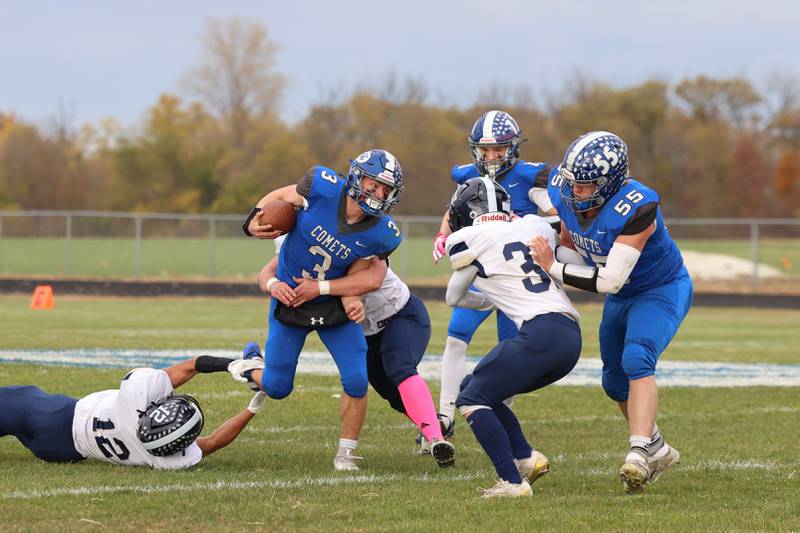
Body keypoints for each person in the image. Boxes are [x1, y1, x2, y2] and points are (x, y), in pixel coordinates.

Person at [528, 131, 692, 494]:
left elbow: (610, 280)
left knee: (637, 358)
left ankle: (638, 453)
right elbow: (567, 234)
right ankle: (658, 448)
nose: (575, 192)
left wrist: (551, 266)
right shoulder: (565, 189)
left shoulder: (637, 207)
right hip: (620, 295)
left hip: (658, 289)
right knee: (614, 383)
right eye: (573, 183)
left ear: (609, 183)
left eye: (585, 186)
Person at [240, 149, 404, 471]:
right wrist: (252, 221)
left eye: (387, 190)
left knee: (357, 379)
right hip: (291, 299)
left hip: (332, 303)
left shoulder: (383, 232)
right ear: (358, 176)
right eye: (375, 184)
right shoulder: (322, 186)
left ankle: (347, 453)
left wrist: (344, 294)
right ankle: (251, 368)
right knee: (277, 387)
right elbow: (281, 195)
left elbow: (369, 275)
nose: (380, 194)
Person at [256, 238, 456, 468]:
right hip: (363, 331)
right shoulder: (303, 246)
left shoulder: (355, 241)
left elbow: (371, 280)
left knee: (399, 368)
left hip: (399, 315)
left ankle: (436, 439)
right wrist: (273, 283)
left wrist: (321, 288)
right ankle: (434, 427)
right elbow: (267, 271)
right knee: (390, 393)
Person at [444, 177, 582, 498]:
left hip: (541, 332)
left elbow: (454, 296)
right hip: (568, 336)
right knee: (476, 388)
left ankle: (512, 482)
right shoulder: (532, 224)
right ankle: (526, 459)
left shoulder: (471, 238)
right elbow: (556, 228)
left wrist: (489, 297)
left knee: (470, 399)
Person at [430, 110, 558, 442]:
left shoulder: (530, 178)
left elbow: (557, 215)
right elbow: (453, 208)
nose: (490, 157)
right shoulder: (466, 174)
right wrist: (442, 234)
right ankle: (444, 415)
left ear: (512, 147)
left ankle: (498, 414)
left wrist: (518, 224)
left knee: (509, 350)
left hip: (516, 277)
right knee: (457, 335)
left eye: (498, 149)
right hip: (483, 271)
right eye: (484, 150)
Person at [0, 356, 266, 468]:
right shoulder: (165, 459)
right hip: (62, 453)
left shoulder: (137, 394)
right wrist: (253, 407)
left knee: (17, 397)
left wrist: (230, 364)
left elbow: (191, 365)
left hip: (52, 415)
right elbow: (213, 442)